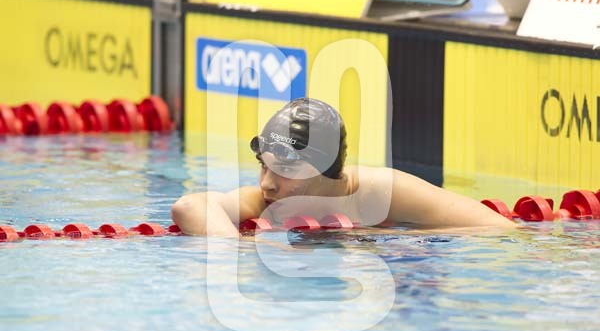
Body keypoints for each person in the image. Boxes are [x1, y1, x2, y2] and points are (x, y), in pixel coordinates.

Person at [171, 98, 516, 237]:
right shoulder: (264, 202)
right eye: (264, 166)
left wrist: (393, 239)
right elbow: (189, 206)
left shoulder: (379, 191)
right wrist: (233, 251)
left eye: (286, 170)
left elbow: (498, 229)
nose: (267, 184)